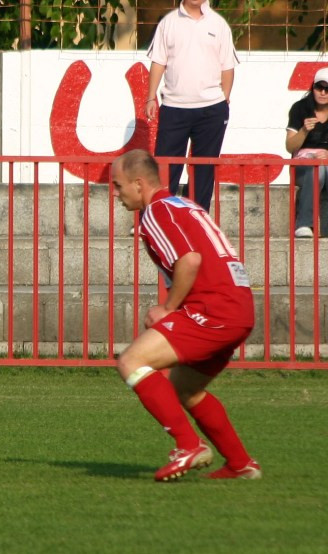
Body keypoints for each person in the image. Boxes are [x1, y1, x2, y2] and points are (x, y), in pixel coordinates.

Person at [110, 149, 261, 482]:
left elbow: (189, 260)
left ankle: (188, 445)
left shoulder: (156, 212)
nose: (116, 194)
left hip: (213, 308)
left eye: (118, 186)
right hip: (239, 307)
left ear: (139, 184)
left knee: (131, 361)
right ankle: (240, 464)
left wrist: (168, 308)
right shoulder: (185, 205)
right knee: (186, 390)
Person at [145, 0, 238, 212]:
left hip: (211, 109)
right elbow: (159, 61)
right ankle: (158, 215)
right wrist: (151, 97)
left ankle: (195, 217)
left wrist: (224, 97)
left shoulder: (219, 24)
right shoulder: (168, 22)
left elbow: (227, 66)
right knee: (166, 168)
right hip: (174, 106)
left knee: (204, 169)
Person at [285, 67, 328, 239]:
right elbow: (290, 146)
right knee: (318, 169)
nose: (323, 93)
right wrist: (303, 131)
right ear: (313, 88)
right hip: (304, 166)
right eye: (319, 87)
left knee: (323, 168)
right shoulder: (300, 108)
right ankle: (303, 223)